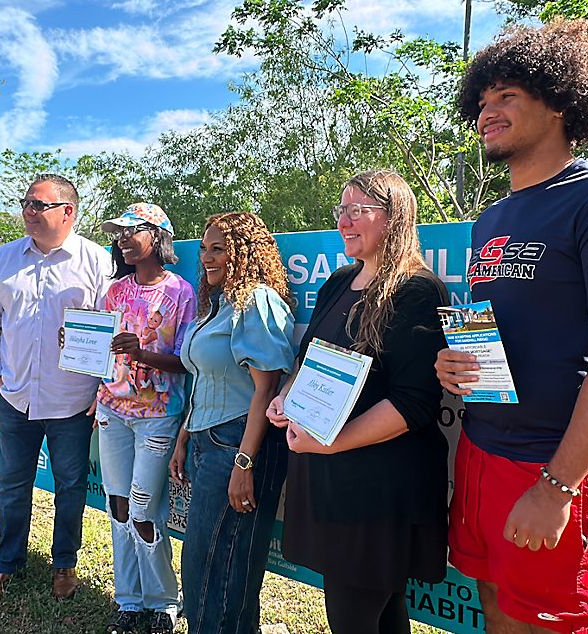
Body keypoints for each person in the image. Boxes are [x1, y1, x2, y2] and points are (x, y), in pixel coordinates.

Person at [435, 19, 588, 634]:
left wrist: (556, 487)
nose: (488, 111)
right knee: (493, 611)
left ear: (562, 98)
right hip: (482, 451)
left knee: (551, 627)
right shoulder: (491, 219)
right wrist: (453, 365)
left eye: (507, 95)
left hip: (555, 467)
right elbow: (503, 335)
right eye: (482, 100)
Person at [266, 169, 450, 634]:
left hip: (377, 491)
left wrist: (330, 443)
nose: (345, 222)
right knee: (380, 615)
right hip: (329, 479)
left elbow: (415, 403)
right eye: (341, 211)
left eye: (359, 210)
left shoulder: (417, 291)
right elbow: (309, 359)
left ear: (395, 218)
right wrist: (285, 397)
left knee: (354, 617)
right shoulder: (339, 281)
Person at [0, 174, 115, 603]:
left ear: (67, 212)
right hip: (15, 396)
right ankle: (6, 565)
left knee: (71, 486)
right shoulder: (4, 259)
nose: (28, 212)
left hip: (72, 399)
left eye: (39, 205)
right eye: (26, 204)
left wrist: (100, 387)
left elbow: (112, 329)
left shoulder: (96, 262)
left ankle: (64, 565)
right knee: (14, 483)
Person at [170, 213, 295, 634]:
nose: (207, 257)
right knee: (206, 563)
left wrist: (244, 465)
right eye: (204, 248)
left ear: (243, 251)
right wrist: (184, 438)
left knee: (220, 570)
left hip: (239, 442)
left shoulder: (255, 302)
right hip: (208, 439)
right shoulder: (216, 305)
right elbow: (203, 378)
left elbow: (266, 390)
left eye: (219, 248)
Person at [95, 203, 196, 634]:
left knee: (142, 511)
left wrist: (144, 354)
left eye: (130, 230)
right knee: (117, 506)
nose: (121, 239)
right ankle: (129, 600)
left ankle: (164, 603)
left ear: (157, 236)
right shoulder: (115, 290)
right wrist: (77, 341)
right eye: (117, 233)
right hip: (110, 410)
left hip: (157, 416)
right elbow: (102, 345)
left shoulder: (181, 293)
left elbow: (188, 362)